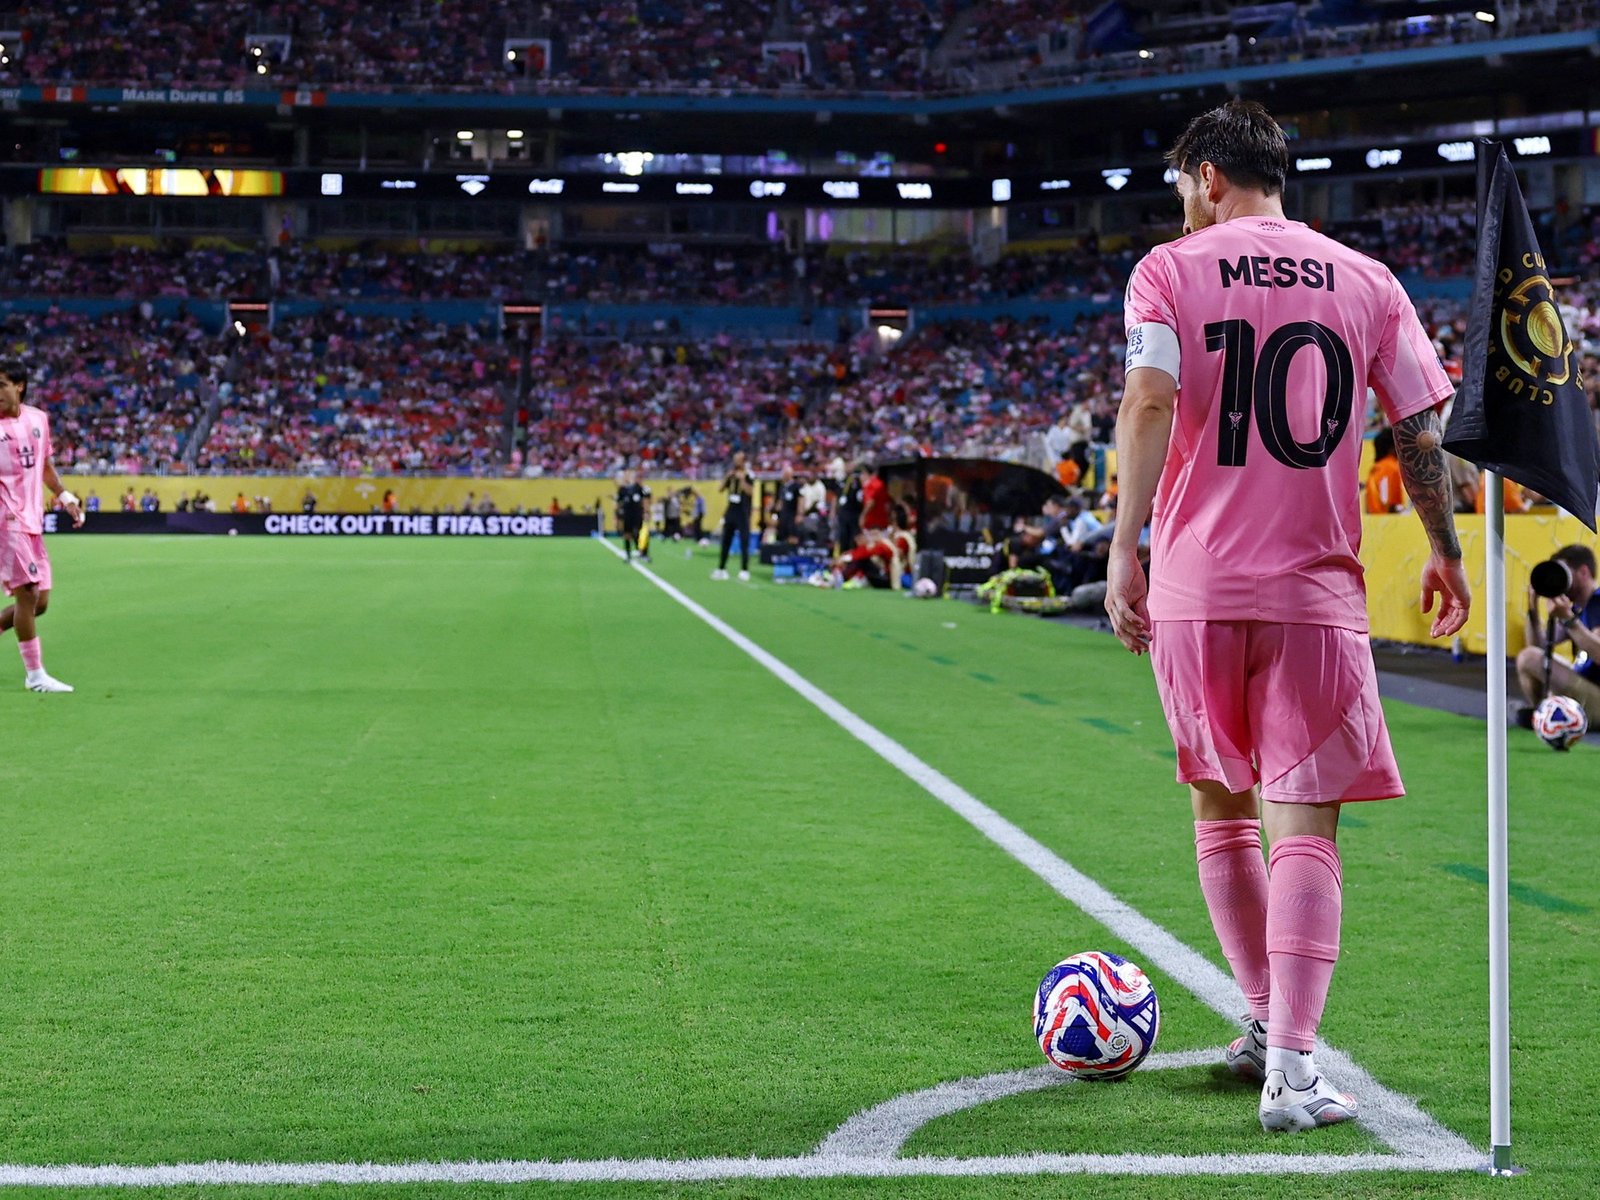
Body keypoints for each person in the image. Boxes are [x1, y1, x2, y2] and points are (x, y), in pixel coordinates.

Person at [1105, 101, 1470, 1134]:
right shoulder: (1368, 280)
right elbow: (1418, 425)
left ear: (1210, 178)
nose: (1181, 204)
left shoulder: (1166, 272)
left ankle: (1265, 1020)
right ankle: (1293, 1067)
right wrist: (1443, 548)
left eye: (1182, 185)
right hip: (1314, 592)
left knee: (1220, 810)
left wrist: (1123, 547)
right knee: (1305, 824)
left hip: (1194, 590)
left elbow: (1147, 402)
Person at [0, 359, 85, 692]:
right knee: (28, 593)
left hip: (32, 520)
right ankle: (36, 676)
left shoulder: (38, 419)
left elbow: (44, 465)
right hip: (6, 520)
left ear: (19, 386)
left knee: (40, 603)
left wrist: (64, 496)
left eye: (1, 385)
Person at [1515, 544, 1600, 727]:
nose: (1560, 579)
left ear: (1584, 572)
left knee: (1529, 658)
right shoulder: (1576, 608)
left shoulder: (1598, 602)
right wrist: (1532, 607)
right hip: (1589, 687)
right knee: (1529, 658)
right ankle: (1544, 715)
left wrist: (1569, 620)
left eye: (1564, 572)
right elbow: (1538, 648)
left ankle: (1547, 717)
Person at [713, 451, 754, 581]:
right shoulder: (731, 473)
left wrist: (741, 479)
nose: (736, 462)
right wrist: (727, 477)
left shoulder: (748, 474)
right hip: (731, 510)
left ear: (743, 461)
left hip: (743, 512)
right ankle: (721, 568)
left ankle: (744, 570)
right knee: (726, 540)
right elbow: (720, 489)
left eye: (738, 460)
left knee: (744, 541)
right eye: (735, 459)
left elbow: (750, 492)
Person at [1363, 428, 1404, 514]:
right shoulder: (1393, 468)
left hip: (1373, 519)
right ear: (1392, 447)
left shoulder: (1374, 469)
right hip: (1389, 519)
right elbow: (1394, 505)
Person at [615, 468, 650, 563]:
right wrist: (617, 517)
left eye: (629, 475)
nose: (627, 477)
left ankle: (643, 553)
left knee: (639, 534)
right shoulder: (622, 489)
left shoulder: (638, 487)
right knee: (627, 534)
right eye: (625, 475)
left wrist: (646, 512)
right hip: (627, 515)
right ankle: (628, 554)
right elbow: (619, 503)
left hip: (637, 514)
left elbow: (645, 499)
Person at [774, 465, 802, 544]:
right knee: (783, 534)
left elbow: (801, 500)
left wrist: (799, 514)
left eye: (785, 474)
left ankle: (793, 550)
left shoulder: (796, 486)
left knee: (792, 535)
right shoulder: (782, 487)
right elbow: (780, 500)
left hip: (792, 514)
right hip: (783, 515)